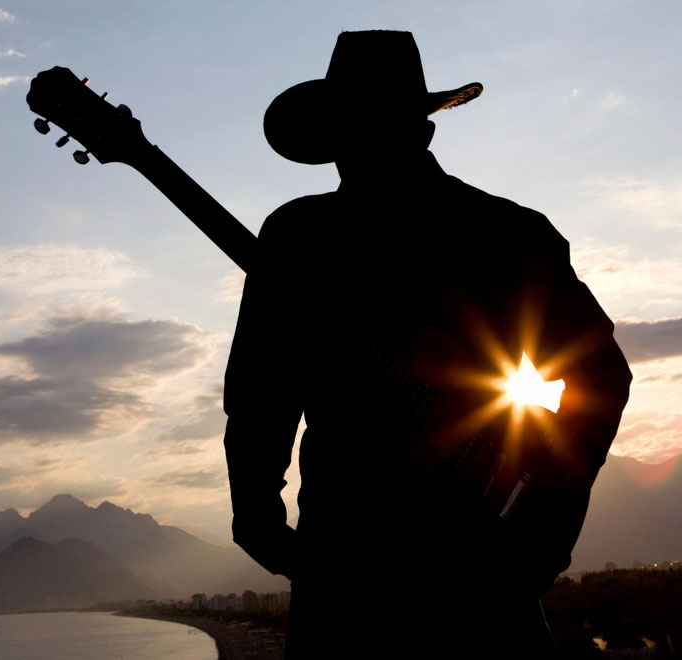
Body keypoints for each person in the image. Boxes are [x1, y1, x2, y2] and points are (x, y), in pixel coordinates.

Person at [223, 31, 631, 658]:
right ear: (426, 130)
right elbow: (600, 379)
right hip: (443, 568)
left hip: (357, 568)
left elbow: (260, 398)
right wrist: (544, 517)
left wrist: (261, 519)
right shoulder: (507, 231)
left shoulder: (300, 237)